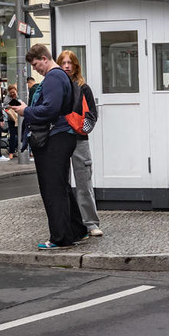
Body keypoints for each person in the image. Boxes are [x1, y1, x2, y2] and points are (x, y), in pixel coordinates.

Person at [9, 44, 87, 250]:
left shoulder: (53, 77)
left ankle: (60, 238)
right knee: (61, 186)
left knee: (52, 188)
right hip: (63, 136)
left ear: (44, 58)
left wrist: (27, 111)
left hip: (54, 138)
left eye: (36, 65)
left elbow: (50, 109)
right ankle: (77, 230)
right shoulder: (62, 76)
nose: (36, 69)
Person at [58, 50, 103, 237]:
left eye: (70, 63)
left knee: (84, 182)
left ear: (76, 66)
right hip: (59, 140)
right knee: (62, 184)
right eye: (63, 63)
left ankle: (91, 223)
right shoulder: (56, 86)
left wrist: (81, 128)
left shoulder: (84, 88)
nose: (67, 66)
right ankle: (68, 223)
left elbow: (92, 114)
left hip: (79, 140)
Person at [4, 84, 22, 159]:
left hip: (20, 118)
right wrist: (12, 104)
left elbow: (22, 103)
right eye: (11, 92)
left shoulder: (19, 95)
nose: (12, 94)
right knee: (12, 136)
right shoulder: (7, 97)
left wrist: (16, 97)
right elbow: (5, 106)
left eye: (13, 92)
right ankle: (11, 152)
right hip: (12, 119)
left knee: (20, 135)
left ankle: (18, 150)